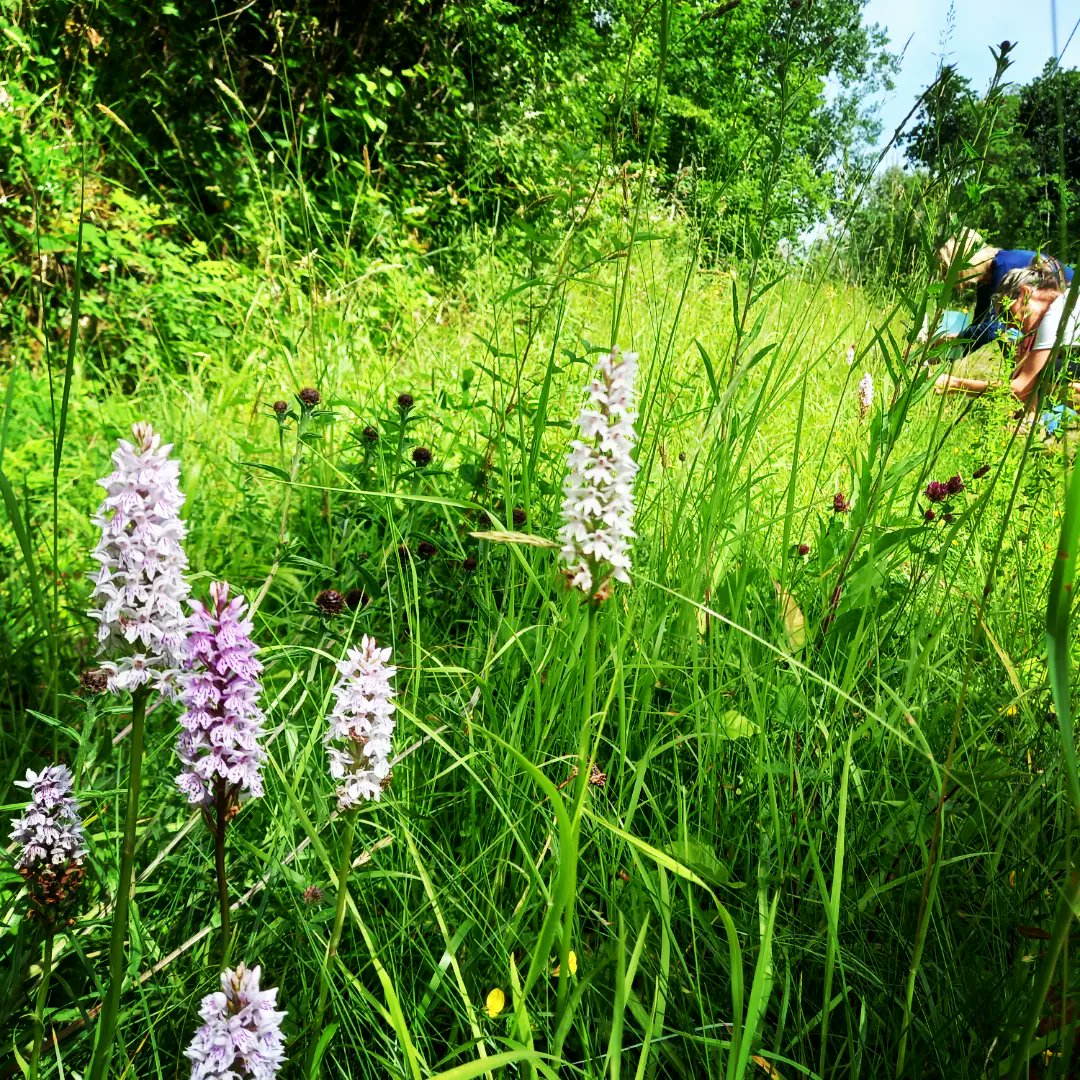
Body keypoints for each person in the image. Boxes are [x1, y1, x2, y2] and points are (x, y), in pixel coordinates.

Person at [935, 257, 1080, 404]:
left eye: (1007, 314)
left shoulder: (1054, 315)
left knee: (1044, 377)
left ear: (1024, 294)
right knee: (1044, 374)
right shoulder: (1066, 299)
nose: (1012, 327)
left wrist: (955, 384)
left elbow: (1021, 389)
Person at [937, 231, 1074, 353]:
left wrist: (954, 339)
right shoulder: (988, 277)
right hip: (1058, 315)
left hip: (1070, 309)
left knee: (1005, 328)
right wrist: (942, 356)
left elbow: (992, 329)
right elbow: (980, 324)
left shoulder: (1003, 268)